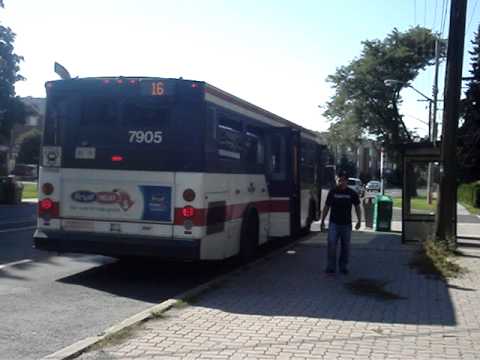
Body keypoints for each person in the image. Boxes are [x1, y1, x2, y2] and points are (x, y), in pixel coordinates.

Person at [320, 172, 362, 275]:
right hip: (334, 223)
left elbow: (357, 207)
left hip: (346, 225)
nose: (341, 182)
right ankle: (330, 267)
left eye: (343, 180)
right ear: (337, 181)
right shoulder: (333, 192)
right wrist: (322, 221)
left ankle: (343, 267)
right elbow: (326, 207)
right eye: (339, 180)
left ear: (347, 181)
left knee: (345, 246)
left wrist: (359, 221)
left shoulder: (351, 193)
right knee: (331, 244)